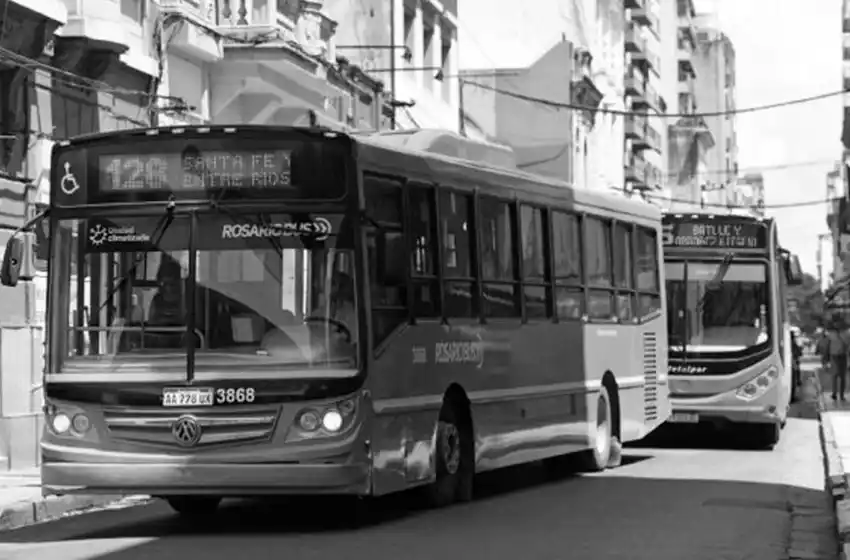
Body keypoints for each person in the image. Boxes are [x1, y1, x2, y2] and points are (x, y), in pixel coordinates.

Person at [823, 317, 850, 401]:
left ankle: (835, 393)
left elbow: (827, 347)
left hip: (834, 356)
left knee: (834, 376)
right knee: (842, 377)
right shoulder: (846, 334)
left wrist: (825, 359)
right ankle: (841, 395)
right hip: (842, 356)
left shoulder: (831, 334)